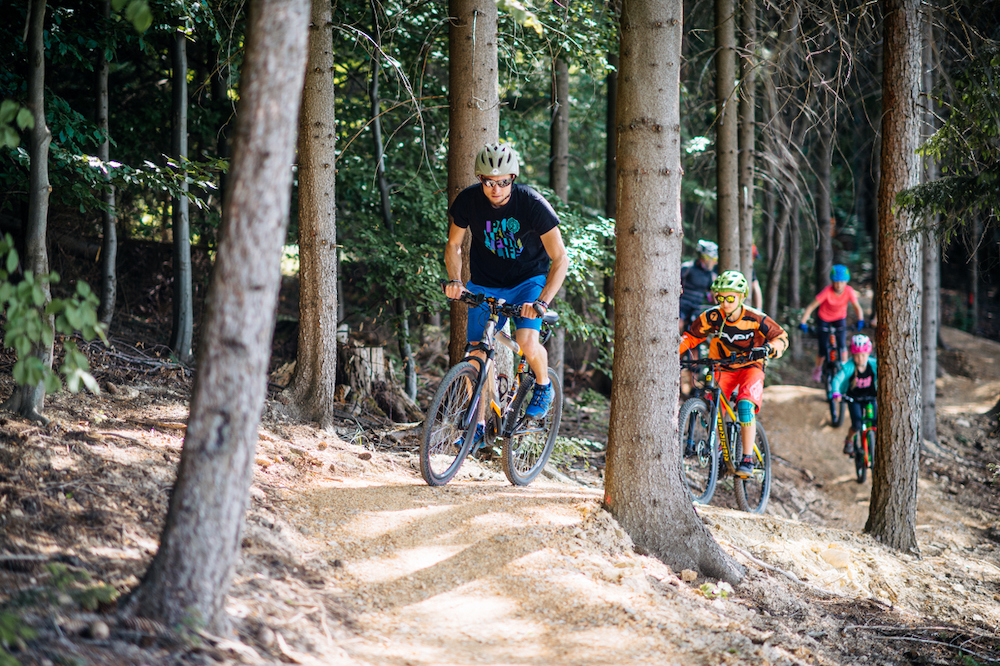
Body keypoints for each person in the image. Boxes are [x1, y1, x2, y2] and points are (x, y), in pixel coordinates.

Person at [444, 142, 569, 448]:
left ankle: (542, 385)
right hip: (485, 282)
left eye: (502, 182)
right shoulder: (468, 201)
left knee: (526, 341)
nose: (495, 189)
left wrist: (542, 302)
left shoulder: (532, 204)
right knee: (476, 353)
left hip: (527, 280)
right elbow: (453, 246)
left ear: (513, 178)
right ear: (479, 178)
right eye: (488, 181)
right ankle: (477, 425)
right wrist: (455, 280)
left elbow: (561, 258)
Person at [678, 270, 789, 478]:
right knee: (713, 405)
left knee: (745, 405)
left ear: (741, 297)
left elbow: (781, 336)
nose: (725, 302)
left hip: (751, 367)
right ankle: (720, 450)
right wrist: (674, 354)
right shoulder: (712, 316)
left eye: (730, 298)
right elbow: (691, 337)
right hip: (723, 367)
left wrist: (769, 349)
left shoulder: (755, 318)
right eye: (720, 297)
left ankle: (747, 457)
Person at [799, 264, 865, 383]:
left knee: (842, 344)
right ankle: (818, 369)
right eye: (836, 282)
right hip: (824, 318)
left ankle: (845, 369)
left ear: (846, 282)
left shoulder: (849, 291)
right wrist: (803, 322)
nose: (839, 285)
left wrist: (860, 320)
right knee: (823, 348)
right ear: (832, 281)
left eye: (842, 282)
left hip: (839, 318)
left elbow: (857, 307)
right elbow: (811, 306)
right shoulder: (827, 291)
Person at [831, 334, 878, 455]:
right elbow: (837, 379)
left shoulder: (874, 365)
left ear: (868, 354)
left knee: (876, 421)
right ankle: (849, 440)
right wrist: (836, 392)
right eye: (857, 355)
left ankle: (874, 444)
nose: (860, 358)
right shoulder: (849, 366)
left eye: (863, 355)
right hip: (854, 399)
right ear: (853, 355)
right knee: (856, 424)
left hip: (871, 397)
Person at [679, 239, 719, 334]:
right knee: (678, 324)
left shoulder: (710, 275)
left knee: (698, 331)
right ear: (704, 257)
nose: (715, 263)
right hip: (682, 305)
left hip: (697, 307)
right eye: (713, 259)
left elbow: (712, 293)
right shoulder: (687, 268)